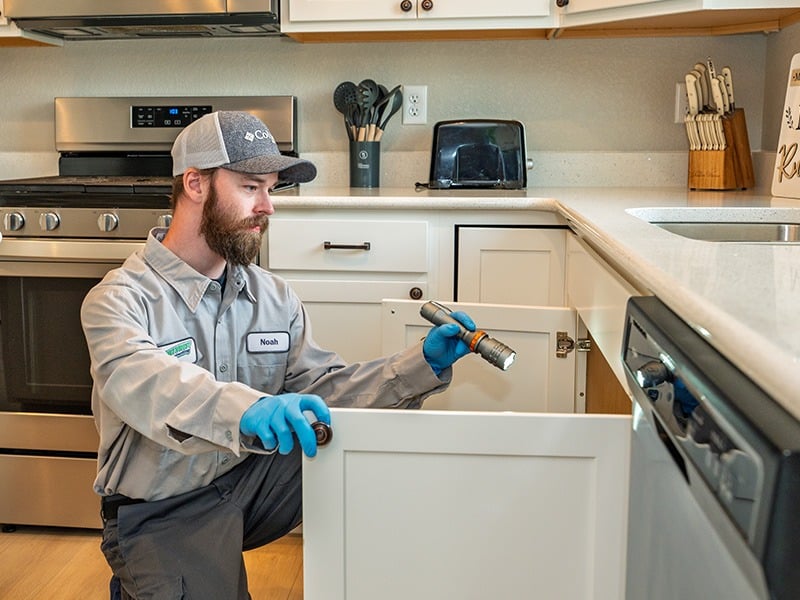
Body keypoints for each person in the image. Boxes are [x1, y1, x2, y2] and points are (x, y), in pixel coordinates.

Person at [80, 110, 476, 600]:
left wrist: (420, 366)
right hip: (162, 508)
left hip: (252, 481)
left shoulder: (274, 296)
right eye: (251, 187)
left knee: (364, 452)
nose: (268, 207)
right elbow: (148, 384)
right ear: (195, 184)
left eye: (272, 189)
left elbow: (323, 391)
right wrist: (247, 409)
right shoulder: (117, 299)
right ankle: (147, 573)